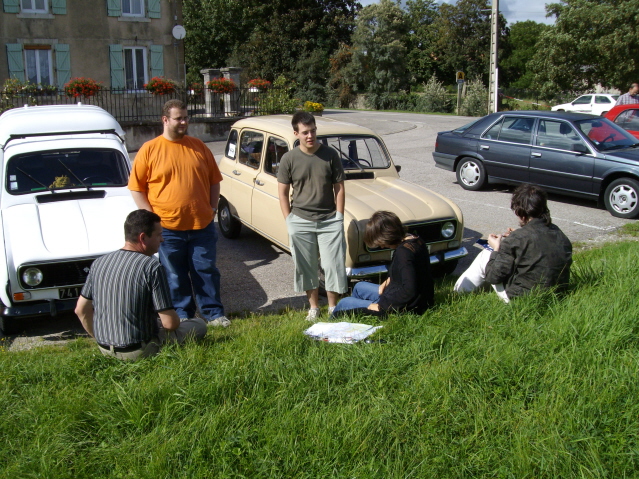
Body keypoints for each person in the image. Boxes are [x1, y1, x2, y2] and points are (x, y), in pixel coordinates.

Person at [128, 99, 229, 327]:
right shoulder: (150, 149)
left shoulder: (199, 146)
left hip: (201, 225)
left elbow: (214, 182)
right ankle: (183, 315)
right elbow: (137, 188)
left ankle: (213, 314)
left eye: (186, 117)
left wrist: (212, 208)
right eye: (179, 118)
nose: (184, 122)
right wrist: (152, 220)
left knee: (206, 270)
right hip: (168, 229)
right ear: (165, 120)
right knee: (174, 274)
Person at [75, 210, 208, 360]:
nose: (162, 240)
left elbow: (81, 310)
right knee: (198, 325)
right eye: (159, 235)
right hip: (139, 351)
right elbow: (170, 323)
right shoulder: (151, 266)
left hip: (104, 349)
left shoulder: (99, 263)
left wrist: (100, 338)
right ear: (143, 238)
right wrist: (178, 319)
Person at [277, 111, 347, 321]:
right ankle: (314, 307)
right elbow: (282, 192)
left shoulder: (330, 154)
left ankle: (333, 307)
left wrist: (339, 216)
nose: (310, 136)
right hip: (300, 220)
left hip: (329, 221)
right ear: (296, 133)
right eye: (305, 132)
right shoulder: (289, 158)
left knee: (333, 265)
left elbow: (340, 188)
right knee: (306, 266)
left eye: (313, 131)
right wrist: (289, 220)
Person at [454, 184, 572, 302]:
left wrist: (496, 247)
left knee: (486, 254)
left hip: (522, 298)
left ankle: (458, 294)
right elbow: (537, 243)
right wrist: (518, 235)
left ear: (520, 211)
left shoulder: (517, 238)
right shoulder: (558, 233)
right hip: (558, 295)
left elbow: (493, 277)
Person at [330, 211, 434, 318]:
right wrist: (387, 281)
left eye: (382, 243)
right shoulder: (415, 240)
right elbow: (408, 272)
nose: (383, 247)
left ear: (387, 235)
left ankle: (330, 324)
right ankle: (359, 317)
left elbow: (410, 290)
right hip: (418, 298)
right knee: (359, 287)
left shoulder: (403, 253)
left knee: (345, 302)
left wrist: (382, 306)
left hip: (406, 307)